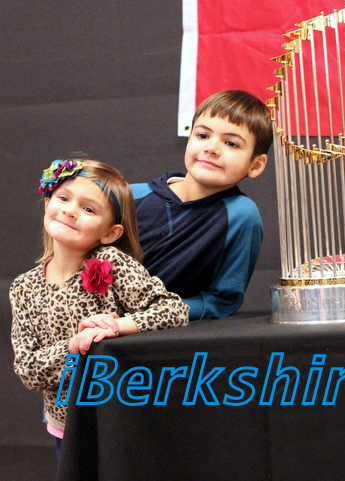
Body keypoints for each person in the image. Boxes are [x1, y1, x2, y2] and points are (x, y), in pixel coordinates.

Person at [10, 158, 189, 458]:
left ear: (110, 233)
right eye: (63, 198)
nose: (70, 210)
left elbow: (173, 311)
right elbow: (28, 370)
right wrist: (74, 346)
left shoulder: (112, 263)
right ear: (47, 203)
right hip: (66, 424)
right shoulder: (24, 287)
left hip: (119, 416)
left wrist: (114, 327)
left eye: (88, 209)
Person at [131, 90, 272, 321]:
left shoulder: (241, 216)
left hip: (158, 334)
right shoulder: (129, 196)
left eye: (231, 143)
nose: (212, 148)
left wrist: (150, 317)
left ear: (255, 165)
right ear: (189, 140)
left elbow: (222, 300)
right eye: (203, 135)